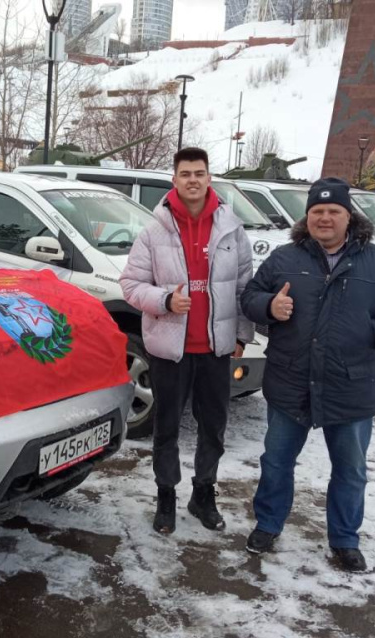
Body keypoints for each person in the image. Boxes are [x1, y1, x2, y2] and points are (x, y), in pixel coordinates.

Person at [239, 177, 375, 571]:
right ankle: (268, 524)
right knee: (277, 461)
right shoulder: (286, 259)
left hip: (351, 384)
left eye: (333, 211)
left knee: (351, 469)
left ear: (348, 217)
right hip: (291, 380)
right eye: (317, 211)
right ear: (307, 217)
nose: (324, 218)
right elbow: (249, 295)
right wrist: (269, 307)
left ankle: (345, 539)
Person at [120, 147, 254, 535]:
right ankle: (166, 496)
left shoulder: (232, 229)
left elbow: (245, 287)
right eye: (185, 174)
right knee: (166, 428)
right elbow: (130, 285)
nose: (193, 180)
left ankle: (203, 493)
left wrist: (242, 334)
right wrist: (164, 300)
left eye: (199, 173)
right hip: (169, 351)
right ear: (174, 181)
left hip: (216, 349)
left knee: (213, 427)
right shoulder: (154, 230)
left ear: (209, 178)